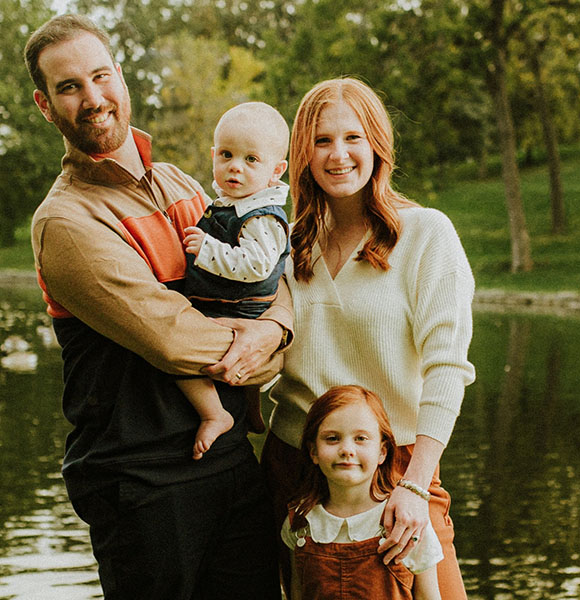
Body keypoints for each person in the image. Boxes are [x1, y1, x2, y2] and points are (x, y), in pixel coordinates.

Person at [23, 14, 290, 600]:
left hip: (227, 455)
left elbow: (267, 274)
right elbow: (172, 337)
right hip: (142, 479)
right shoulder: (66, 221)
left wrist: (274, 333)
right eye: (69, 87)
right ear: (46, 106)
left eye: (99, 77)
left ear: (120, 76)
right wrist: (263, 346)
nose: (92, 98)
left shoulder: (181, 184)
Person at [261, 77, 476, 599]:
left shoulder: (426, 235)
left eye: (353, 137)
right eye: (321, 141)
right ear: (301, 154)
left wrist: (414, 483)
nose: (338, 155)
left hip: (395, 465)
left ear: (377, 143)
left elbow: (446, 368)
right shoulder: (283, 245)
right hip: (295, 463)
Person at [178, 101, 290, 460]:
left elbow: (256, 266)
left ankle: (215, 414)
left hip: (239, 306)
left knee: (177, 354)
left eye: (251, 160)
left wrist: (207, 248)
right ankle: (251, 410)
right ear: (213, 155)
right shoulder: (231, 203)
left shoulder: (260, 216)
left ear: (276, 171)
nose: (235, 167)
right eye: (226, 154)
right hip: (235, 303)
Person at [283, 385, 443, 600]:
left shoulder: (405, 523)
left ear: (382, 452)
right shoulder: (301, 523)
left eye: (361, 439)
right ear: (314, 452)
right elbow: (297, 594)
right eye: (332, 438)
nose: (347, 449)